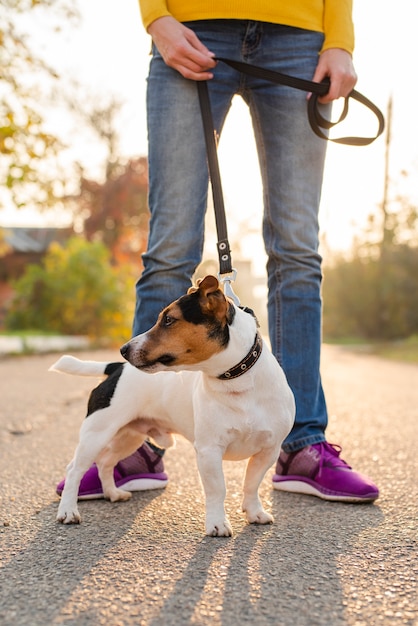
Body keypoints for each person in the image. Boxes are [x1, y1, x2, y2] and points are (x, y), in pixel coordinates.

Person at [57, 1, 379, 503]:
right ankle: (138, 442)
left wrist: (339, 38)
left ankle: (301, 443)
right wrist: (156, 21)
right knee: (170, 247)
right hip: (190, 26)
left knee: (297, 250)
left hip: (300, 36)